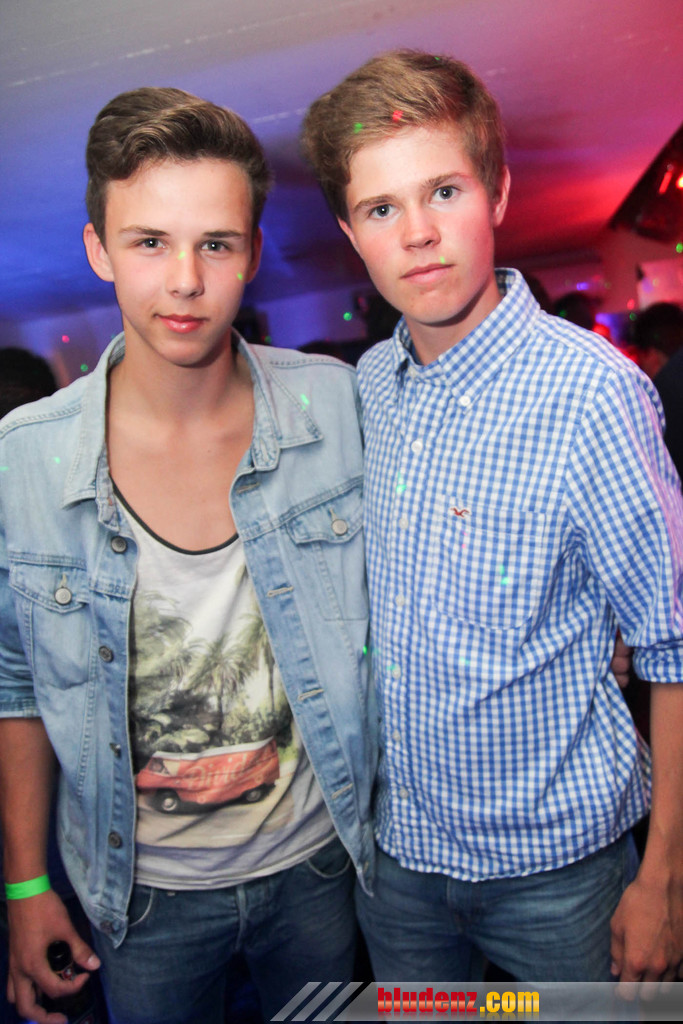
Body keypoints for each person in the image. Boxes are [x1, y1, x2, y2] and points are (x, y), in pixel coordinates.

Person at [302, 49, 683, 984]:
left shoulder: (590, 395)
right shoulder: (371, 384)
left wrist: (664, 879)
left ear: (498, 191)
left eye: (443, 191)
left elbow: (671, 645)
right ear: (351, 233)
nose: (417, 234)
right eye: (380, 209)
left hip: (558, 876)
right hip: (399, 866)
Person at [0, 87, 375, 1024]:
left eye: (215, 243)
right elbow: (16, 686)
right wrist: (24, 887)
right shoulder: (22, 460)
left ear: (252, 251)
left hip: (320, 863)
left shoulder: (336, 406)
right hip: (140, 896)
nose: (184, 281)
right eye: (148, 242)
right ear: (98, 249)